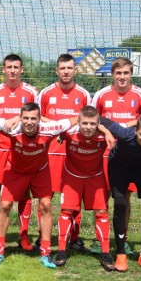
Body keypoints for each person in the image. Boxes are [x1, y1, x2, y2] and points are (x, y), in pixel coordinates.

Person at [0, 103, 75, 268]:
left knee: (46, 204)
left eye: (33, 118)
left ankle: (45, 252)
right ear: (20, 118)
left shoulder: (49, 128)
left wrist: (105, 130)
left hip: (39, 171)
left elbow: (77, 119)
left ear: (39, 119)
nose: (29, 122)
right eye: (25, 118)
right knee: (5, 205)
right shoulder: (11, 128)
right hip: (15, 170)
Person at [91, 57, 141, 255]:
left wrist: (125, 127)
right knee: (103, 197)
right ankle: (99, 239)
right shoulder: (101, 95)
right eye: (118, 73)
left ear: (131, 73)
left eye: (126, 73)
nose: (122, 77)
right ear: (112, 74)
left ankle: (122, 238)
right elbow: (93, 120)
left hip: (129, 155)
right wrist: (108, 131)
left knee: (124, 198)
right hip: (104, 151)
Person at [38, 54, 91, 254]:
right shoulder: (46, 93)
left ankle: (74, 239)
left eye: (70, 68)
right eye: (63, 68)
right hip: (50, 153)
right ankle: (43, 238)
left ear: (75, 70)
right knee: (45, 197)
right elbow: (39, 117)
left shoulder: (84, 94)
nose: (66, 71)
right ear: (57, 71)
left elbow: (88, 120)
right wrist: (60, 125)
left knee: (74, 198)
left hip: (75, 154)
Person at [99, 113, 141, 272]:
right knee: (121, 204)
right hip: (119, 168)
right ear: (135, 130)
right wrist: (107, 133)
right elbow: (99, 119)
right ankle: (121, 254)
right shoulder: (124, 134)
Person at [54, 106, 116, 271]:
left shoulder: (104, 137)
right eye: (85, 123)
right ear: (78, 122)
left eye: (92, 124)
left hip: (95, 178)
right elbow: (50, 125)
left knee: (102, 212)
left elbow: (126, 132)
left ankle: (105, 253)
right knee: (66, 211)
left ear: (98, 124)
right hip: (71, 177)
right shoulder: (68, 132)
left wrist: (106, 132)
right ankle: (61, 250)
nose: (88, 127)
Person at [0, 54, 38, 250]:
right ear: (3, 69)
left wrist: (17, 119)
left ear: (22, 69)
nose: (12, 70)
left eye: (16, 67)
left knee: (24, 192)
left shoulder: (31, 92)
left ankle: (23, 236)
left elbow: (35, 118)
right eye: (9, 67)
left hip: (21, 148)